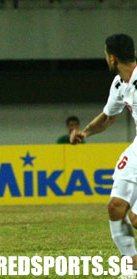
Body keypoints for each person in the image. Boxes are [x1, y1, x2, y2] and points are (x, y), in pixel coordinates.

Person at [70, 34, 137, 279]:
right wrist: (85, 132)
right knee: (115, 207)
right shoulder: (120, 83)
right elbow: (108, 116)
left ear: (112, 57)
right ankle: (132, 268)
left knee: (135, 217)